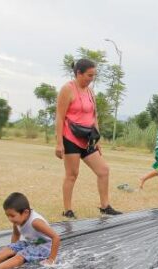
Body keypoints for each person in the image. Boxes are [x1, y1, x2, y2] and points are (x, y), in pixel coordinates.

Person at [55, 58, 121, 218]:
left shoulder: (90, 91)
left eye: (93, 76)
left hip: (88, 138)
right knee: (72, 174)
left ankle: (105, 206)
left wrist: (96, 139)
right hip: (70, 137)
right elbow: (59, 116)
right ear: (79, 73)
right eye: (89, 75)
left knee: (103, 170)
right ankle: (67, 210)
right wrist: (59, 143)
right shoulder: (67, 89)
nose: (91, 79)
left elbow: (94, 116)